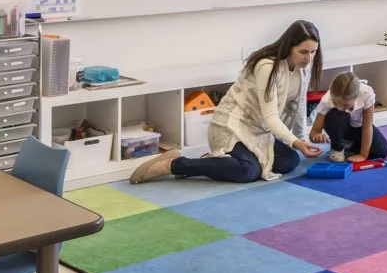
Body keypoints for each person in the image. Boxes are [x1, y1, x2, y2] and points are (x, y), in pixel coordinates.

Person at [130, 21, 323, 184]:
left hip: (260, 132)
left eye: (313, 52)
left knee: (290, 160)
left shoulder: (303, 69)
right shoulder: (267, 66)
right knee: (248, 171)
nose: (309, 58)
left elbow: (298, 104)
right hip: (231, 126)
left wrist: (300, 139)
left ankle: (218, 162)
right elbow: (270, 115)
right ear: (289, 47)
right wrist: (295, 142)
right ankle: (174, 164)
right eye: (303, 52)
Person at [309, 71, 387, 162]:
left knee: (381, 151)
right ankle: (338, 147)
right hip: (339, 127)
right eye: (335, 103)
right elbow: (313, 133)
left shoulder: (366, 93)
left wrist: (363, 155)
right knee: (336, 115)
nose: (340, 107)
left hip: (359, 127)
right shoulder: (326, 99)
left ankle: (349, 145)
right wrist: (317, 137)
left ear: (356, 97)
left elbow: (367, 127)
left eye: (346, 105)